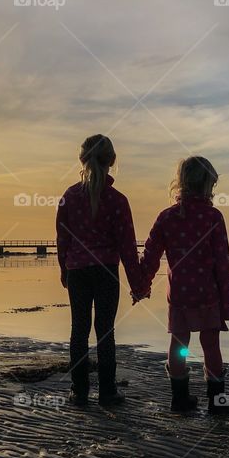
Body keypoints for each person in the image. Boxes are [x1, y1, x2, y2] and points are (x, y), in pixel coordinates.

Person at [134, 156, 229, 413]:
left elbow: (151, 255)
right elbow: (223, 264)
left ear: (181, 183)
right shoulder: (213, 217)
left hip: (179, 294)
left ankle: (179, 399)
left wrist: (141, 285)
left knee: (179, 346)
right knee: (211, 346)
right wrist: (227, 304)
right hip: (208, 294)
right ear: (208, 185)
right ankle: (217, 401)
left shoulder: (167, 217)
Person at [56, 134, 144, 407]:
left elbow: (62, 238)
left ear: (81, 160)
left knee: (78, 330)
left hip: (78, 270)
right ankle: (107, 391)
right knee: (105, 330)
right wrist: (138, 283)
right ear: (113, 161)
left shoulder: (69, 196)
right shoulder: (118, 200)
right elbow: (128, 246)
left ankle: (79, 391)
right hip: (106, 270)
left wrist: (64, 269)